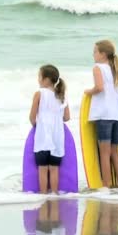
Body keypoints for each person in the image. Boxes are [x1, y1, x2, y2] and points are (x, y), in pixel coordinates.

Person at [85, 40, 118, 188]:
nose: (93, 54)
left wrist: (88, 92)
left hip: (104, 115)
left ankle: (106, 186)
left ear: (103, 54)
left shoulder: (98, 68)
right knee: (114, 151)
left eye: (95, 52)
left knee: (104, 153)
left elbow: (99, 87)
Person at [28, 64, 70, 194]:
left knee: (42, 168)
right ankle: (55, 194)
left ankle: (43, 194)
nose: (38, 80)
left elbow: (32, 116)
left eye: (39, 77)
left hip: (43, 138)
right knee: (54, 168)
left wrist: (36, 125)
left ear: (46, 79)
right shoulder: (62, 95)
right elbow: (67, 117)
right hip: (57, 139)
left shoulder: (39, 94)